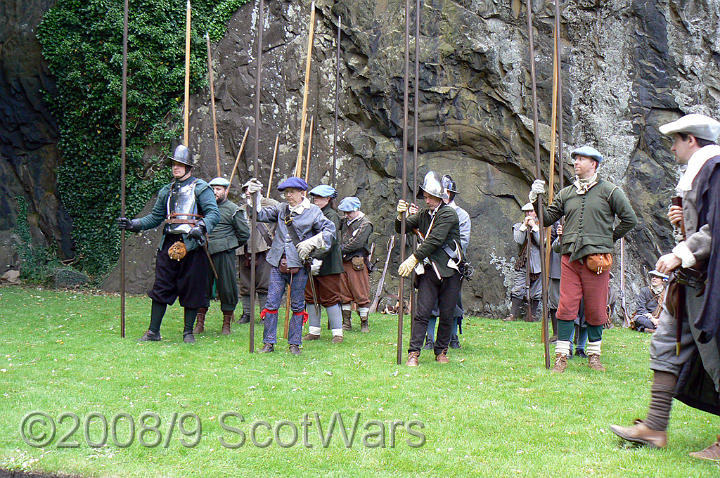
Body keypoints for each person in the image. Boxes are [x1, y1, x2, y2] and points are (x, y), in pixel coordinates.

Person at [610, 113, 720, 460]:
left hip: (711, 285)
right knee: (664, 345)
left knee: (718, 360)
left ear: (692, 141)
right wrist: (683, 224)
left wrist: (683, 251)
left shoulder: (716, 170)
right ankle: (655, 426)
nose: (671, 147)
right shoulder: (699, 173)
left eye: (677, 140)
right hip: (690, 284)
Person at [529, 145, 637, 372]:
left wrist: (607, 240)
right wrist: (536, 199)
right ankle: (561, 355)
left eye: (581, 159)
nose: (576, 162)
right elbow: (547, 219)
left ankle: (594, 356)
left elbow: (630, 220)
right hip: (570, 259)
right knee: (565, 307)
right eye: (575, 159)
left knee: (597, 309)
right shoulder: (566, 193)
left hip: (596, 261)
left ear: (594, 164)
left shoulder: (610, 191)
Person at [117, 144, 220, 343]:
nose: (176, 167)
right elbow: (156, 217)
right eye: (174, 164)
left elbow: (213, 213)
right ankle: (153, 331)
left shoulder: (201, 188)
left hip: (192, 244)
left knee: (192, 287)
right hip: (169, 242)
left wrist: (202, 226)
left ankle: (188, 332)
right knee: (161, 286)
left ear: (189, 166)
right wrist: (133, 224)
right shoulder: (167, 191)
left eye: (180, 164)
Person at [244, 176, 335, 355]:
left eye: (292, 192)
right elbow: (258, 215)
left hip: (299, 266)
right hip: (278, 263)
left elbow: (330, 231)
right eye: (286, 192)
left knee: (297, 306)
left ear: (302, 193)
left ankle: (295, 343)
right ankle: (268, 343)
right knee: (271, 303)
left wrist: (313, 242)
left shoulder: (314, 211)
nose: (288, 196)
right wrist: (254, 196)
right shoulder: (281, 208)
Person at [396, 171, 462, 366]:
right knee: (422, 312)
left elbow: (435, 240)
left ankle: (441, 351)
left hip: (450, 270)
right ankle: (413, 353)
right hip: (429, 271)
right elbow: (401, 228)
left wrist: (413, 258)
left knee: (447, 313)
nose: (428, 200)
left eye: (431, 197)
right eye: (425, 197)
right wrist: (400, 216)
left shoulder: (449, 213)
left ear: (440, 197)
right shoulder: (424, 215)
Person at [193, 177, 249, 335]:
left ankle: (226, 324)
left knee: (227, 287)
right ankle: (200, 323)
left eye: (219, 189)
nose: (215, 192)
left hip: (224, 254)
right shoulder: (202, 208)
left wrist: (228, 245)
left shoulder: (233, 210)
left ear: (226, 191)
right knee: (201, 286)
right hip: (203, 252)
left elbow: (244, 234)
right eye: (213, 189)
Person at [424, 174, 470, 349]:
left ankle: (452, 337)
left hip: (451, 265)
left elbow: (462, 242)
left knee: (452, 304)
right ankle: (428, 338)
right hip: (431, 263)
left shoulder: (461, 215)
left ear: (450, 194)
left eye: (446, 192)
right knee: (428, 303)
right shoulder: (428, 213)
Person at [303, 185, 345, 343]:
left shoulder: (331, 215)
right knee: (311, 296)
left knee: (331, 298)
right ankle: (314, 331)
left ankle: (337, 333)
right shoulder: (312, 213)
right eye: (315, 198)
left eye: (320, 198)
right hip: (311, 260)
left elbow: (330, 240)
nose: (316, 200)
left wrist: (317, 257)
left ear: (328, 199)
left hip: (328, 263)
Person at [236, 183, 278, 324]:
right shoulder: (241, 209)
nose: (248, 192)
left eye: (251, 189)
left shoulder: (272, 205)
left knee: (264, 284)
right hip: (245, 250)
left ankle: (264, 314)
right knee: (245, 284)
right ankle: (247, 314)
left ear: (260, 190)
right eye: (246, 190)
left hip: (264, 249)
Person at [338, 196, 374, 332]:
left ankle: (364, 323)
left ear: (356, 209)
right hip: (344, 261)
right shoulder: (345, 221)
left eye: (349, 212)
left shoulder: (365, 224)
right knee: (344, 293)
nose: (346, 215)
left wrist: (340, 249)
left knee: (361, 293)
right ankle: (346, 323)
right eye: (345, 212)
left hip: (357, 262)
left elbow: (357, 242)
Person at [503, 203, 542, 322]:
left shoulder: (543, 228)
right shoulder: (518, 226)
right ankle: (513, 315)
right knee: (518, 288)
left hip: (538, 264)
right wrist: (524, 226)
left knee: (537, 291)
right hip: (523, 263)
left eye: (531, 211)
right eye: (527, 212)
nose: (529, 214)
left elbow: (542, 242)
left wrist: (534, 227)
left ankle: (532, 315)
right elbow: (519, 240)